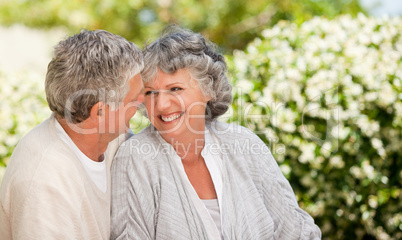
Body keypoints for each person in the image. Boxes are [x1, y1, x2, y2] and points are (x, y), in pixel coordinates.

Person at [110, 27, 321, 239]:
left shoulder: (244, 143)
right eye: (150, 92)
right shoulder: (134, 159)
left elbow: (297, 230)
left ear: (208, 90)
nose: (162, 104)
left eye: (175, 89)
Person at [0, 29, 144, 239]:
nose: (143, 104)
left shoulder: (108, 138)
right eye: (134, 100)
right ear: (100, 112)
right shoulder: (45, 185)